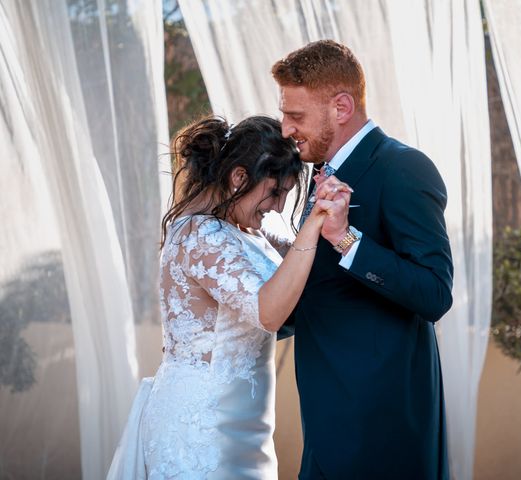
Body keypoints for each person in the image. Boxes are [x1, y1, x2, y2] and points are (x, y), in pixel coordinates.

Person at [107, 114, 352, 479]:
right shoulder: (199, 234)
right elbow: (267, 312)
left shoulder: (245, 229)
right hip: (202, 426)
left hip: (245, 427)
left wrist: (337, 224)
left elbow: (301, 266)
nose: (279, 207)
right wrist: (313, 223)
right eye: (276, 192)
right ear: (239, 177)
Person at [272, 40, 454, 479]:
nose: (285, 129)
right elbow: (320, 292)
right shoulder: (318, 177)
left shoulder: (404, 169)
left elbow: (434, 293)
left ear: (341, 106)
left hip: (382, 423)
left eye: (295, 116)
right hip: (325, 416)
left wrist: (346, 238)